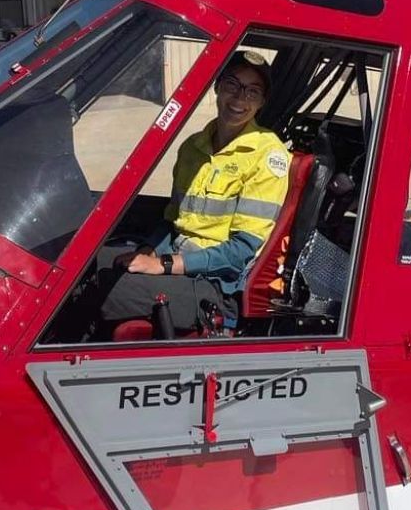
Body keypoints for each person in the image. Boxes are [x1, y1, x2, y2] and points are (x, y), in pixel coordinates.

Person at [99, 50, 290, 333]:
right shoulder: (192, 147)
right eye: (232, 85)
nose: (239, 99)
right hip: (180, 261)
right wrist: (147, 250)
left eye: (252, 91)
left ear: (262, 102)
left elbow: (240, 253)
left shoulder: (267, 156)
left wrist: (163, 264)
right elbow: (172, 220)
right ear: (217, 86)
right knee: (91, 263)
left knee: (110, 289)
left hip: (218, 286)